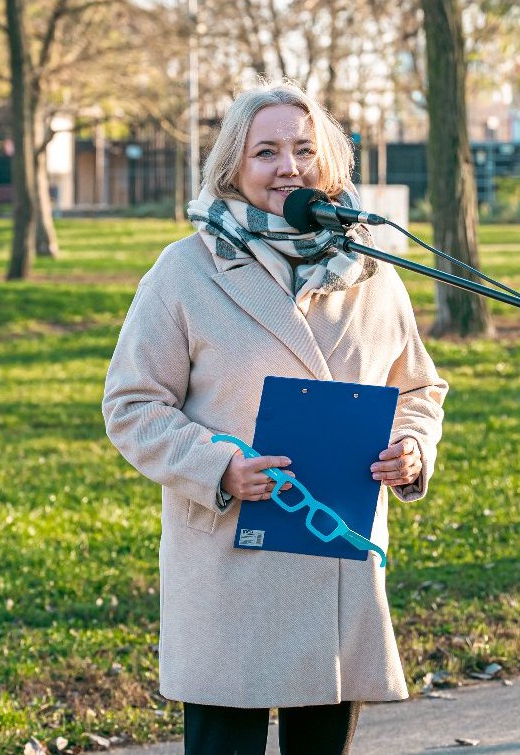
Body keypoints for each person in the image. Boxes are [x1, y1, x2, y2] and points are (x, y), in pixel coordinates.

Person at [103, 82, 447, 754]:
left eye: (303, 149)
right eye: (266, 152)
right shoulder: (185, 272)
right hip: (233, 560)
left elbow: (418, 389)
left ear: (331, 164)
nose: (288, 167)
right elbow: (133, 405)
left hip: (335, 564)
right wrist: (217, 466)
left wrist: (411, 447)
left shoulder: (374, 270)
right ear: (232, 165)